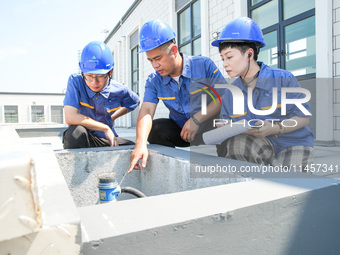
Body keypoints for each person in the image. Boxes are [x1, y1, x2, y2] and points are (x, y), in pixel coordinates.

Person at [211, 17, 314, 169]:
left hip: (292, 142)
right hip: (256, 143)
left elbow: (303, 118)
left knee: (290, 184)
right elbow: (225, 124)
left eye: (230, 57)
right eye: (223, 58)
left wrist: (276, 128)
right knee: (237, 144)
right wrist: (227, 127)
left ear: (249, 54)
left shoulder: (283, 79)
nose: (225, 63)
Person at [128, 19, 226, 172]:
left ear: (174, 50)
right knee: (156, 129)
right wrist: (140, 143)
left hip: (208, 127)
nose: (154, 65)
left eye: (158, 58)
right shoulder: (154, 81)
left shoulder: (203, 65)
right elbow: (146, 110)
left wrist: (196, 119)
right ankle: (173, 174)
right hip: (183, 132)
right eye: (150, 60)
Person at [63, 41, 139, 149]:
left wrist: (113, 117)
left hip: (105, 139)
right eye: (89, 76)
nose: (94, 82)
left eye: (100, 76)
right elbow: (70, 117)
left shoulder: (119, 89)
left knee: (132, 148)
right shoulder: (75, 82)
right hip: (84, 137)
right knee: (75, 133)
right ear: (82, 72)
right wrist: (105, 128)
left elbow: (136, 102)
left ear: (110, 72)